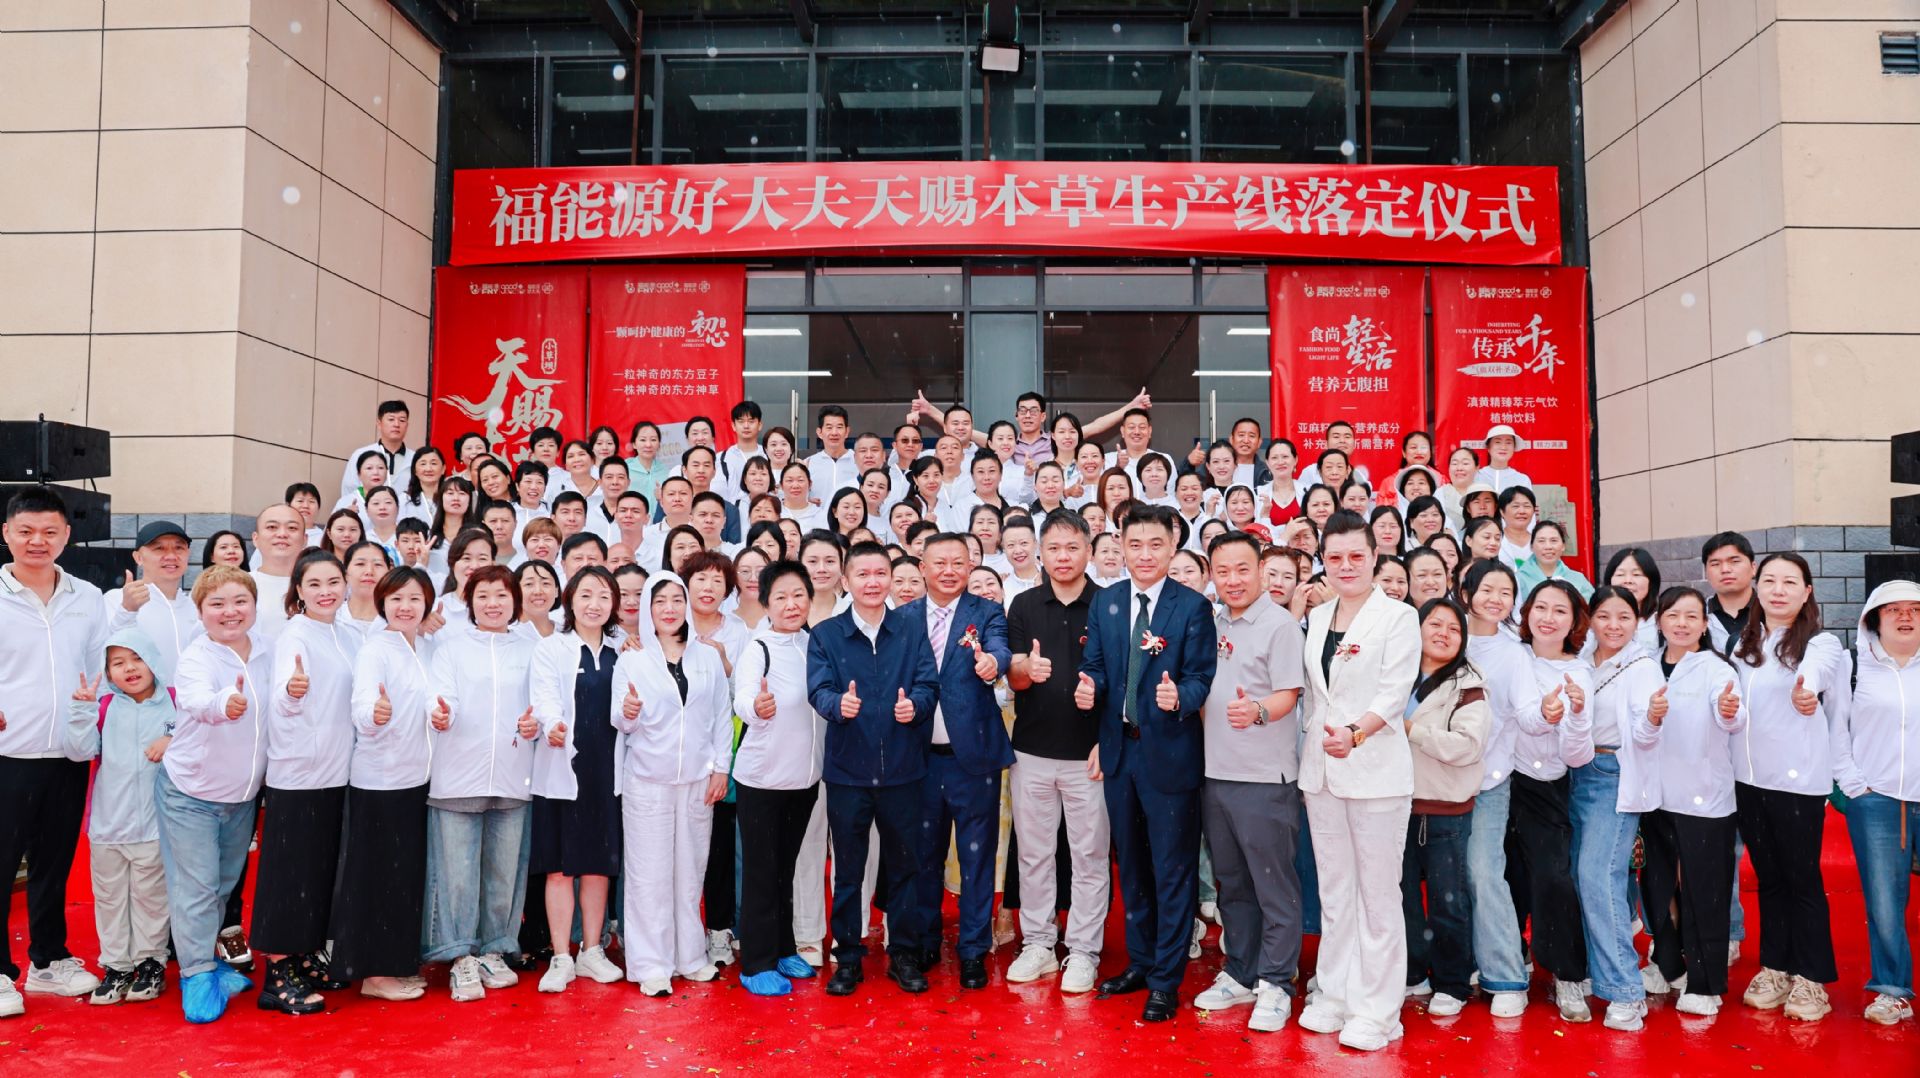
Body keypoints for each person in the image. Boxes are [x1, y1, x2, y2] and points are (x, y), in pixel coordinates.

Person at [1072, 504, 1218, 1023]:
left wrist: (1182, 697)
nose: (1145, 555)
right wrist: (1090, 688)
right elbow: (1095, 666)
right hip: (1120, 752)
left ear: (1172, 546)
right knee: (1131, 865)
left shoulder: (1192, 607)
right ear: (1121, 546)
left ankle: (1165, 979)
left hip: (1171, 755)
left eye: (1156, 544)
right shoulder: (1108, 601)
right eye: (1134, 545)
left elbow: (1202, 677)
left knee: (1172, 869)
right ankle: (1140, 960)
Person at [1291, 510, 1421, 1052]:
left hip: (1375, 773)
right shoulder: (1319, 617)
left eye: (1356, 556)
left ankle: (1379, 1010)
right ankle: (1337, 994)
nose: (1346, 566)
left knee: (1378, 894)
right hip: (1321, 773)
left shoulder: (1399, 617)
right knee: (1336, 890)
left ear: (1374, 558)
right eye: (1335, 557)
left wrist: (1355, 733)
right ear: (1323, 560)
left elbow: (1393, 695)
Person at [807, 541, 940, 997]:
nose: (872, 582)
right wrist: (836, 705)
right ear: (846, 581)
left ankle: (903, 954)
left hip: (904, 771)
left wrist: (916, 706)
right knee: (848, 871)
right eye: (862, 574)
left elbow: (928, 684)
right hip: (848, 773)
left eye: (880, 573)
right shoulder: (827, 634)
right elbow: (818, 689)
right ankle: (847, 957)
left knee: (905, 867)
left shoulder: (911, 630)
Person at [1188, 532, 1306, 1033]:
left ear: (1260, 570)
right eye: (1223, 571)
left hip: (1264, 779)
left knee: (1273, 886)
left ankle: (1276, 982)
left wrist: (1256, 710)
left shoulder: (1280, 626)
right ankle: (1241, 971)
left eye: (1242, 569)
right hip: (1217, 774)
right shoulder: (1213, 622)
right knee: (1232, 884)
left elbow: (1289, 694)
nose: (1233, 580)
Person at [0, 488, 108, 1017]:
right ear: (7, 533)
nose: (36, 541)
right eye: (26, 531)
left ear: (67, 535)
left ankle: (49, 959)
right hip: (7, 752)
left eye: (49, 532)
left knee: (53, 863)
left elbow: (99, 666)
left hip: (68, 752)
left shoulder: (87, 596)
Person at [1729, 552, 1846, 1021]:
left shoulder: (1822, 643)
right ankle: (1776, 968)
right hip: (1748, 780)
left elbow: (1816, 673)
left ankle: (1812, 978)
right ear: (1757, 588)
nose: (1778, 590)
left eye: (1790, 582)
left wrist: (1806, 689)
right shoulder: (1744, 643)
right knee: (1769, 877)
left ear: (1807, 591)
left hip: (1797, 783)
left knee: (1802, 878)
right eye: (1770, 581)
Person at [1000, 511, 1110, 995]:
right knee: (1034, 853)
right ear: (1041, 553)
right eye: (1054, 549)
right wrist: (1026, 669)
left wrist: (1107, 738)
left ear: (1089, 550)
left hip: (1090, 757)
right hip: (1032, 752)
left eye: (1072, 547)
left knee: (1090, 856)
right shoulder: (1023, 605)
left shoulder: (1109, 605)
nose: (1063, 557)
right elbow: (1013, 676)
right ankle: (1039, 943)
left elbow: (1121, 678)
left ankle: (1084, 951)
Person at [158, 566, 274, 1022]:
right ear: (201, 611)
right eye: (217, 604)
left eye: (240, 601)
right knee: (197, 887)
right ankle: (196, 973)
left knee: (222, 886)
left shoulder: (267, 650)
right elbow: (196, 700)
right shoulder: (196, 658)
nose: (230, 612)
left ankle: (208, 963)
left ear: (254, 605)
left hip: (241, 795)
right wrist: (224, 703)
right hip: (191, 792)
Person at [899, 532, 1013, 990]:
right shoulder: (902, 617)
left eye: (958, 563)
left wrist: (993, 664)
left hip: (974, 758)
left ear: (970, 567)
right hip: (918, 759)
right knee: (923, 855)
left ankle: (972, 949)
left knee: (976, 858)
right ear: (922, 568)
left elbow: (1000, 648)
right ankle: (926, 941)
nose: (949, 571)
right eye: (939, 562)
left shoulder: (986, 612)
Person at [611, 572, 732, 996]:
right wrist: (629, 710)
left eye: (676, 600)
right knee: (649, 875)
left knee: (690, 871)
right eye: (660, 601)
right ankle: (651, 964)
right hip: (648, 780)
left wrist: (721, 768)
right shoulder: (632, 659)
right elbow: (620, 720)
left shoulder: (707, 657)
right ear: (648, 608)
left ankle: (690, 957)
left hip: (698, 780)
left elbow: (721, 716)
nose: (669, 608)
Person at [422, 566, 537, 1004]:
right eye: (483, 595)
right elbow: (440, 696)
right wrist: (441, 713)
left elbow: (545, 702)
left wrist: (537, 722)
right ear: (469, 601)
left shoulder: (531, 648)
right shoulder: (450, 647)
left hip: (513, 774)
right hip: (457, 775)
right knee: (456, 874)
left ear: (514, 601)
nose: (493, 603)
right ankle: (460, 955)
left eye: (502, 595)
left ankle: (494, 948)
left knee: (504, 872)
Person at [250, 550, 359, 1015]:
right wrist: (292, 694)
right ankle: (277, 973)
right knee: (289, 873)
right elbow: (283, 696)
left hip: (338, 771)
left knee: (317, 872)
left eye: (333, 582)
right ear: (298, 590)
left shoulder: (348, 635)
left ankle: (304, 957)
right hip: (299, 773)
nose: (325, 592)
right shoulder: (295, 634)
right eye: (314, 584)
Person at [332, 566, 436, 1003]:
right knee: (377, 877)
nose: (405, 607)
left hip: (418, 780)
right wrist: (373, 714)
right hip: (380, 781)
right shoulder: (376, 649)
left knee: (404, 876)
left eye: (414, 598)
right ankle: (373, 973)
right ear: (382, 604)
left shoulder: (428, 647)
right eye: (396, 599)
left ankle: (397, 963)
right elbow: (361, 704)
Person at [1639, 586, 1744, 1016]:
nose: (1681, 624)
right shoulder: (1646, 665)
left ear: (1704, 624)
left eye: (1691, 616)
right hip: (1653, 795)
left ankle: (1705, 982)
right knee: (1657, 884)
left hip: (1704, 798)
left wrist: (1729, 709)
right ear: (1659, 621)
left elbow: (1731, 713)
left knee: (1705, 891)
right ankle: (1668, 964)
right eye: (1672, 615)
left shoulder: (1717, 669)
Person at [527, 567, 627, 994]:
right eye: (585, 594)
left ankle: (591, 950)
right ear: (569, 600)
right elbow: (544, 698)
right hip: (562, 770)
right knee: (559, 868)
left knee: (598, 866)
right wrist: (552, 725)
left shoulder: (624, 650)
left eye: (603, 595)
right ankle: (560, 956)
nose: (594, 604)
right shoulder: (551, 648)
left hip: (608, 773)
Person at [62, 628, 174, 1007]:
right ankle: (116, 966)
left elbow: (199, 742)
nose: (129, 668)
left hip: (155, 826)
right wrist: (82, 711)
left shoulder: (175, 703)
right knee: (110, 899)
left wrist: (173, 740)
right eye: (118, 663)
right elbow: (79, 751)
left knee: (151, 899)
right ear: (108, 672)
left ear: (153, 660)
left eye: (137, 658)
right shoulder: (105, 708)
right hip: (108, 826)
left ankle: (150, 963)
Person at [730, 560, 826, 996]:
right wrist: (757, 707)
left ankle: (784, 947)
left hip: (804, 779)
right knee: (761, 871)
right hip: (763, 779)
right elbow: (743, 697)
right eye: (781, 597)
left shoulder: (814, 643)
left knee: (785, 867)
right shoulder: (758, 647)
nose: (791, 605)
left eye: (798, 595)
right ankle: (757, 960)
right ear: (766, 603)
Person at [1399, 597, 1490, 1018]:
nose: (1443, 634)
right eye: (1434, 624)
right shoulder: (1396, 673)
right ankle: (1412, 971)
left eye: (1454, 629)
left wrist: (1412, 730)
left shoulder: (1470, 686)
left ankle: (1452, 981)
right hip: (1396, 804)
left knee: (1448, 900)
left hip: (1446, 811)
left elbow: (1467, 747)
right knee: (1401, 898)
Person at [1834, 579, 1920, 1024]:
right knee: (1885, 901)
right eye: (1893, 610)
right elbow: (1836, 730)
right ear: (1874, 619)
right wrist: (1856, 786)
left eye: (1916, 609)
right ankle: (1891, 989)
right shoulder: (1853, 667)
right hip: (1879, 800)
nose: (1906, 617)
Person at [1580, 584, 1664, 1031]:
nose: (1613, 625)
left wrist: (1652, 718)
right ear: (1591, 618)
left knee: (1600, 878)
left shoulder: (1642, 666)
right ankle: (1600, 972)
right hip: (1572, 772)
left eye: (1624, 617)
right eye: (1604, 616)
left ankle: (1626, 990)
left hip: (1611, 774)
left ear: (1638, 621)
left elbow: (1645, 734)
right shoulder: (1580, 660)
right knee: (1583, 879)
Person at [1513, 580, 1597, 1022]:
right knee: (1503, 877)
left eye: (1560, 610)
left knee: (1552, 878)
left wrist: (1573, 716)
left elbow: (1577, 755)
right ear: (1526, 612)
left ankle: (1567, 972)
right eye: (1540, 607)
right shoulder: (1513, 654)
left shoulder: (1578, 673)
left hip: (1545, 785)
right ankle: (1509, 960)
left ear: (1574, 621)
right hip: (1495, 781)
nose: (1548, 618)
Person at [1460, 559, 1538, 1017]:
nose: (1496, 599)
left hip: (1488, 781)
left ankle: (1506, 973)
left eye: (1505, 592)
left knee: (1483, 872)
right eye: (1487, 589)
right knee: (1449, 877)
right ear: (1466, 593)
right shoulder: (1444, 635)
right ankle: (1461, 964)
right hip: (1435, 781)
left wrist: (1546, 714)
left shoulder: (1514, 653)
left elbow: (1527, 710)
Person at [105, 521, 200, 674]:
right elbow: (103, 651)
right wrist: (127, 611)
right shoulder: (116, 599)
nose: (171, 556)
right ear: (138, 557)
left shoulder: (196, 607)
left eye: (179, 548)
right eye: (159, 548)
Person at [337, 399, 413, 504]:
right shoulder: (361, 455)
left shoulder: (416, 459)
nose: (396, 424)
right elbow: (349, 491)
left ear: (407, 425)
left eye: (402, 420)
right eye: (391, 419)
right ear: (379, 423)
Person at [251, 503, 307, 641]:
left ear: (305, 540)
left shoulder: (321, 588)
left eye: (292, 528)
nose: (282, 534)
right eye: (272, 527)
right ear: (255, 539)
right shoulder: (239, 585)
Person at [1703, 531, 1758, 655]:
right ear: (1706, 572)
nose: (1725, 570)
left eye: (1735, 561)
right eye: (1715, 564)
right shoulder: (1696, 615)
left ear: (1753, 568)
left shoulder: (1773, 612)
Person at [1515, 520, 1592, 599]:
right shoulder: (1518, 579)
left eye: (1553, 541)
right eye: (1541, 541)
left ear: (1563, 546)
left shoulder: (1578, 579)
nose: (1548, 547)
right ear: (1531, 546)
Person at [1475, 424, 1532, 493]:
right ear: (1488, 447)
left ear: (1514, 447)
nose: (1503, 447)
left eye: (1508, 443)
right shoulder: (1475, 476)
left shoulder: (1522, 480)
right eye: (1498, 442)